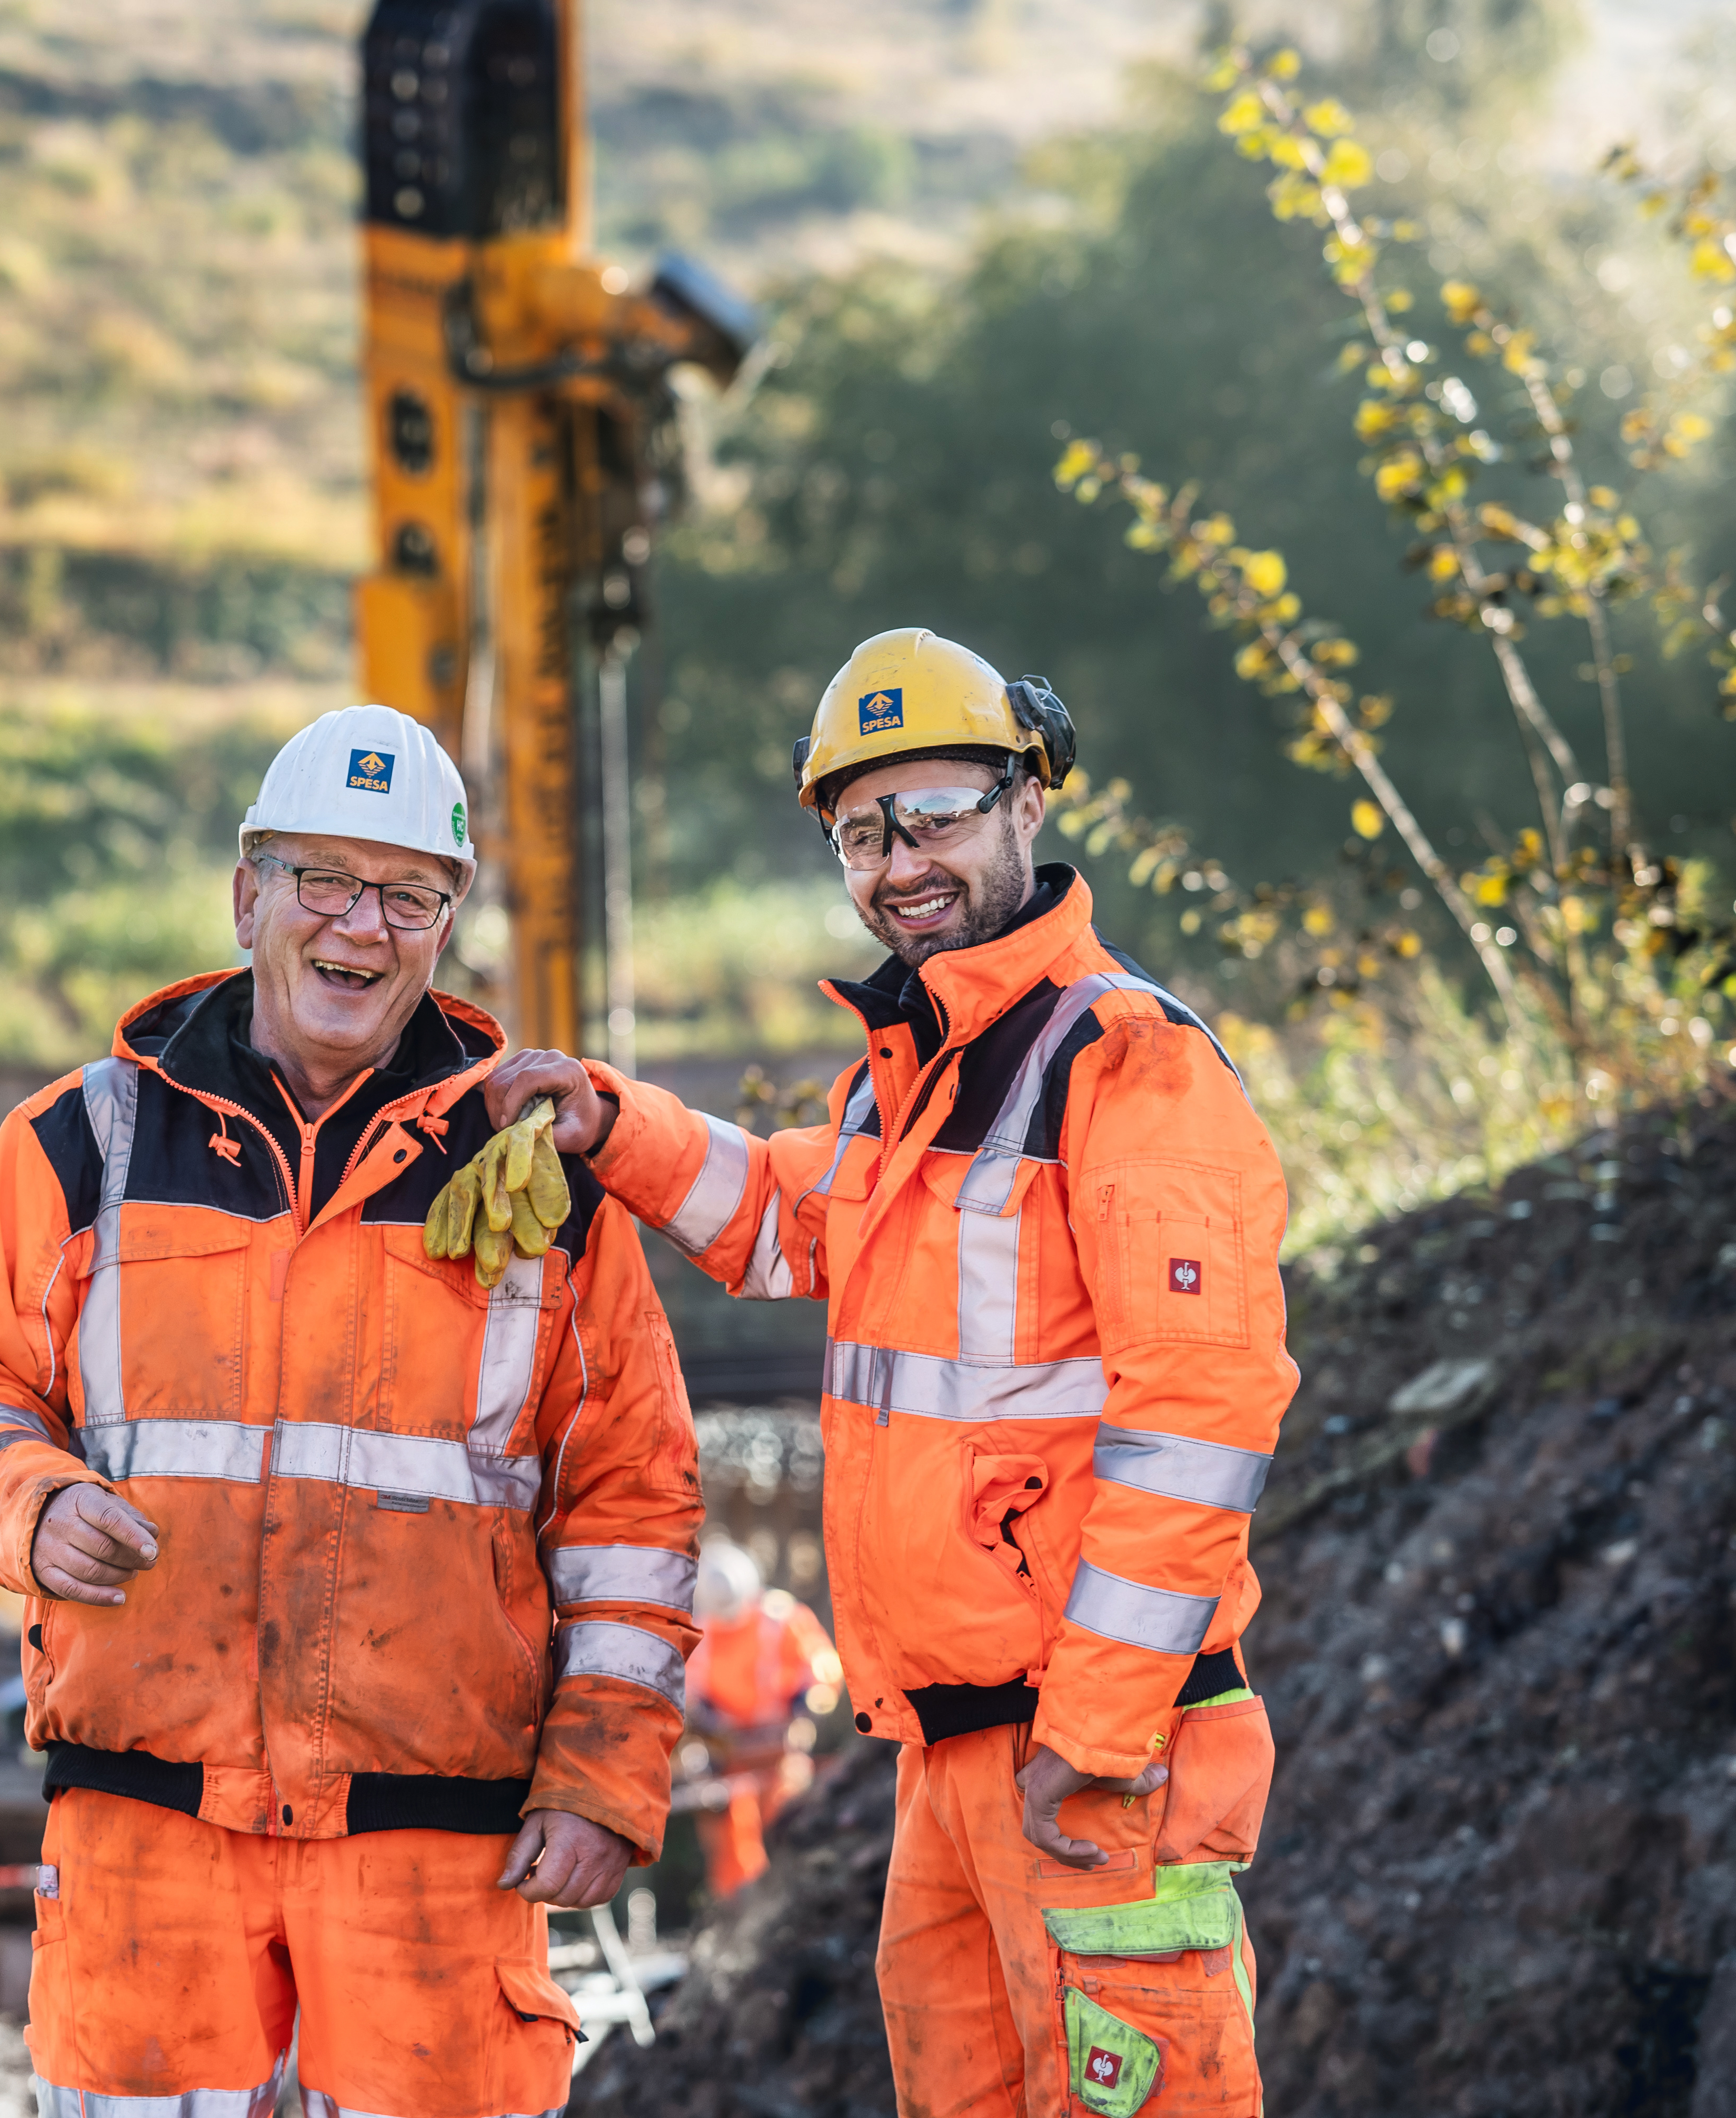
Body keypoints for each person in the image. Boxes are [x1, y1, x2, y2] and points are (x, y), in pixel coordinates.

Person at [487, 628, 1292, 2116]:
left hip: (1094, 1753)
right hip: (946, 1758)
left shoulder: (1128, 1063)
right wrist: (609, 1122)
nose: (899, 860)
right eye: (863, 830)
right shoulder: (910, 1080)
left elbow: (1201, 1420)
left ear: (1028, 804)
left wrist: (1099, 1731)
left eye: (934, 815)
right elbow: (799, 1219)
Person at [0, 703, 704, 2118]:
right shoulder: (87, 1145)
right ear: (250, 891)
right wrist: (31, 1503)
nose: (361, 927)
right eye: (324, 880)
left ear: (447, 925)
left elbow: (630, 1501)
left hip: (436, 1862)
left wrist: (602, 1777)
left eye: (407, 895)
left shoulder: (535, 1184)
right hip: (152, 1838)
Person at [679, 1539, 839, 1896]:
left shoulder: (783, 1620)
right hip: (731, 1757)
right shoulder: (703, 1629)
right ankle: (737, 1919)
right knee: (734, 1847)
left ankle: (799, 1904)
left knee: (792, 1829)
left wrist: (805, 1709)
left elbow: (824, 1674)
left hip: (781, 1754)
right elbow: (691, 1693)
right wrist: (707, 1723)